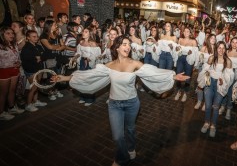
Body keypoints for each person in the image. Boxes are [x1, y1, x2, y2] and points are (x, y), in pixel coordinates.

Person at [52, 35, 189, 166]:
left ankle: (131, 148)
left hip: (131, 103)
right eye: (124, 44)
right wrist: (64, 78)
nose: (128, 47)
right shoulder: (109, 65)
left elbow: (153, 72)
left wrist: (173, 76)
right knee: (117, 136)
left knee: (130, 129)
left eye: (129, 45)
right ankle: (121, 158)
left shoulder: (134, 63)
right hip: (114, 105)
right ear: (117, 47)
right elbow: (89, 76)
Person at [198, 41, 234, 137]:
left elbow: (230, 78)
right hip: (209, 83)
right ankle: (206, 123)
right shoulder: (211, 58)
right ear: (216, 48)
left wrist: (224, 81)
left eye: (223, 48)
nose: (221, 50)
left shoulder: (228, 61)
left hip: (220, 85)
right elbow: (205, 70)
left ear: (225, 49)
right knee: (208, 105)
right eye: (219, 48)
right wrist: (206, 77)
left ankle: (213, 125)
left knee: (216, 106)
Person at [0, 27, 23, 120]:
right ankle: (1, 112)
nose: (11, 35)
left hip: (15, 69)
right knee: (3, 93)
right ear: (2, 35)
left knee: (12, 90)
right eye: (8, 33)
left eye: (12, 33)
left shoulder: (14, 45)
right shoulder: (0, 46)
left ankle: (11, 107)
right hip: (3, 71)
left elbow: (17, 56)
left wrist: (19, 62)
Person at [20, 30, 47, 112]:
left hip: (38, 69)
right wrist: (36, 58)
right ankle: (28, 104)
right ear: (28, 38)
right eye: (33, 36)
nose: (36, 38)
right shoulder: (26, 48)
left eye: (37, 36)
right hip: (31, 70)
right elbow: (25, 60)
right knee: (33, 87)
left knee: (37, 86)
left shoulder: (37, 46)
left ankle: (35, 101)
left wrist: (39, 57)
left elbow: (45, 55)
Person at [75, 27, 101, 106]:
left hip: (89, 63)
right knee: (82, 80)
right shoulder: (81, 42)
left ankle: (90, 99)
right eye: (83, 31)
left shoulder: (93, 43)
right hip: (82, 62)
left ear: (90, 34)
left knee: (89, 81)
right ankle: (83, 97)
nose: (83, 33)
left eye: (86, 32)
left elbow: (97, 55)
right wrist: (75, 57)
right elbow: (79, 52)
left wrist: (89, 59)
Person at [174, 26, 198, 102]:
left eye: (188, 31)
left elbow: (196, 54)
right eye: (184, 31)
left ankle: (185, 93)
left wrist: (194, 63)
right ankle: (179, 91)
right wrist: (177, 49)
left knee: (187, 76)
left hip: (189, 60)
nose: (186, 33)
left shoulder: (193, 41)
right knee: (178, 74)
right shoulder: (180, 40)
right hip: (180, 58)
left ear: (190, 33)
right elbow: (177, 51)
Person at [194, 33, 216, 110]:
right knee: (200, 86)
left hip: (211, 71)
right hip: (203, 69)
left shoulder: (217, 49)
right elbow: (200, 60)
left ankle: (206, 103)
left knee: (207, 87)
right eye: (211, 38)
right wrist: (201, 58)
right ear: (208, 39)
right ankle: (199, 101)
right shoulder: (204, 48)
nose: (213, 39)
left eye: (214, 38)